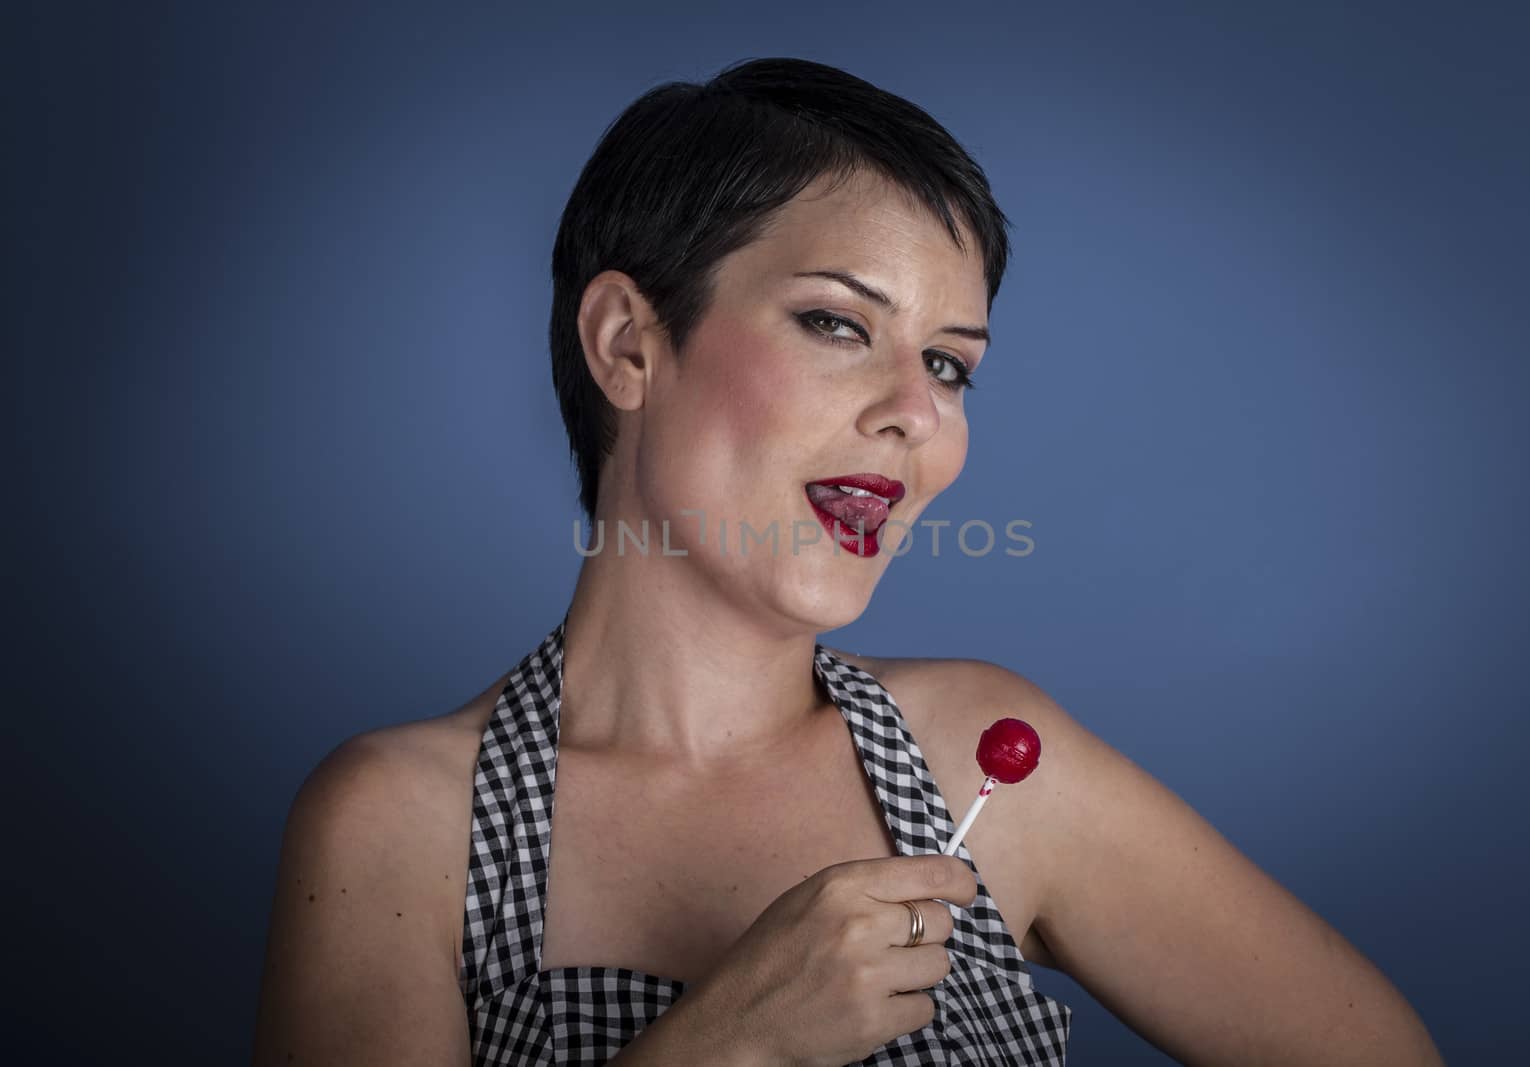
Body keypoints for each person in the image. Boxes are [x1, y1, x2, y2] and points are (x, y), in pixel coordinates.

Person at [250, 57, 1445, 1066]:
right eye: (837, 323)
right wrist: (723, 1043)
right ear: (628, 344)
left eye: (948, 363)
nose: (916, 413)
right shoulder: (401, 824)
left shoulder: (991, 756)